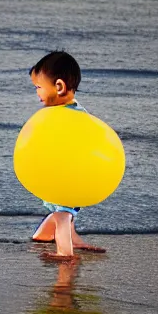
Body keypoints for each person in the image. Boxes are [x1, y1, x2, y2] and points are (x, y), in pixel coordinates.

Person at [29, 51, 106, 260]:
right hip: (65, 174)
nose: (37, 93)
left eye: (39, 87)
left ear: (59, 87)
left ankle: (65, 252)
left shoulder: (68, 115)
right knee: (64, 212)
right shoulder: (69, 111)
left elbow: (77, 144)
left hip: (67, 176)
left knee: (63, 214)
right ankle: (59, 237)